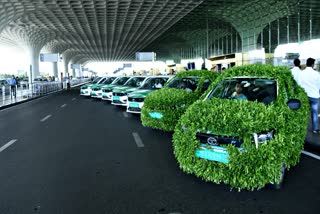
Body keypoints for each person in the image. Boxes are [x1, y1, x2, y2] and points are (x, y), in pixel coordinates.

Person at [297, 58, 320, 134]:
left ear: (306, 64)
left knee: (303, 112)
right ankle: (315, 129)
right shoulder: (316, 74)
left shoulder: (301, 73)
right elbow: (319, 85)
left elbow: (299, 84)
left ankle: (301, 128)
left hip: (305, 95)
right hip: (314, 95)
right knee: (314, 113)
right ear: (313, 64)